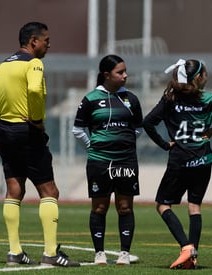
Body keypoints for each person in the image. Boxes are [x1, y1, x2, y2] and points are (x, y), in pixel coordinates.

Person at [0, 22, 79, 267]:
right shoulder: (34, 63)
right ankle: (51, 254)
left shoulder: (4, 65)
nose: (49, 44)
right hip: (27, 133)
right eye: (46, 40)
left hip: (5, 132)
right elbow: (33, 89)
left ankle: (14, 253)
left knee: (14, 191)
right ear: (33, 41)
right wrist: (37, 120)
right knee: (49, 192)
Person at [143, 59, 212, 269]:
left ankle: (186, 247)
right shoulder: (210, 99)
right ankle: (192, 256)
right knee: (194, 207)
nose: (207, 76)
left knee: (162, 204)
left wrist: (164, 144)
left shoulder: (170, 98)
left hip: (180, 160)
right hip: (204, 160)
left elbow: (148, 122)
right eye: (205, 73)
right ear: (198, 78)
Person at [72, 54, 143, 265]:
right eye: (120, 72)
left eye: (125, 71)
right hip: (99, 161)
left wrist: (123, 143)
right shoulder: (91, 99)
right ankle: (99, 253)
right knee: (99, 208)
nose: (125, 75)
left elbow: (138, 129)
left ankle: (124, 253)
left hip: (126, 161)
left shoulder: (132, 99)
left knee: (125, 207)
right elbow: (77, 130)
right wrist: (93, 147)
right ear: (106, 75)